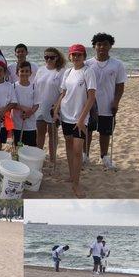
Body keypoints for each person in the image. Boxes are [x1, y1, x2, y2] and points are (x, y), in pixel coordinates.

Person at [53, 44, 97, 198]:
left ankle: (76, 185)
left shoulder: (88, 72)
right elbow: (63, 93)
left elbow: (91, 97)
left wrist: (81, 119)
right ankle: (72, 176)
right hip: (66, 115)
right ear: (69, 56)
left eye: (79, 54)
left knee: (78, 151)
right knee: (69, 147)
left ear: (84, 56)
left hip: (80, 118)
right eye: (73, 54)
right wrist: (56, 110)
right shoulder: (68, 72)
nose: (76, 57)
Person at [85, 33, 127, 168]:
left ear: (110, 46)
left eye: (105, 44)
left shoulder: (117, 64)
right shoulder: (87, 64)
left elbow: (120, 86)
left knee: (105, 132)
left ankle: (104, 157)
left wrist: (116, 102)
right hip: (90, 106)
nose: (102, 47)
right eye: (99, 44)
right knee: (88, 131)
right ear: (94, 46)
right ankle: (85, 155)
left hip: (108, 105)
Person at [34, 47, 66, 162]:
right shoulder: (41, 70)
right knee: (40, 133)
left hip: (53, 108)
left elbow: (63, 92)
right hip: (40, 107)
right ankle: (38, 158)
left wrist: (57, 107)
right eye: (46, 57)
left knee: (52, 134)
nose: (49, 59)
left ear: (57, 58)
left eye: (52, 57)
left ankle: (53, 158)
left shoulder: (61, 71)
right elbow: (36, 88)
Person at [11, 61, 40, 149]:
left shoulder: (34, 87)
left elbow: (36, 104)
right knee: (18, 146)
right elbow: (12, 104)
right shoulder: (13, 87)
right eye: (22, 71)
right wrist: (22, 108)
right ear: (17, 73)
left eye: (27, 71)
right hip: (16, 124)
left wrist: (29, 113)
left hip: (30, 124)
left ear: (30, 73)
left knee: (31, 146)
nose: (24, 73)